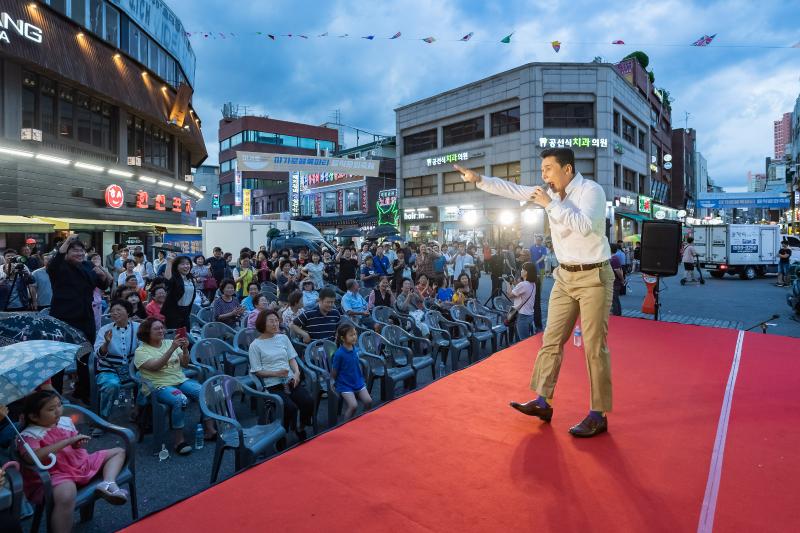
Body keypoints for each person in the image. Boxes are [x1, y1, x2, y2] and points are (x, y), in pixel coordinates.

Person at [456, 146, 614, 438]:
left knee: (593, 347)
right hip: (565, 276)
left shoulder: (591, 191)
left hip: (594, 275)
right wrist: (479, 179)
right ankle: (543, 401)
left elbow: (586, 227)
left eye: (548, 169)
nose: (543, 176)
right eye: (542, 171)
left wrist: (550, 205)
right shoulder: (550, 194)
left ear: (567, 170)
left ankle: (598, 413)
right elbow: (513, 189)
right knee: (551, 340)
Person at [18, 390, 128, 533]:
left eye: (59, 405)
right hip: (56, 473)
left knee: (118, 452)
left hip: (80, 463)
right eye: (51, 409)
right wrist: (68, 441)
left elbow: (73, 445)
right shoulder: (29, 435)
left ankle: (108, 482)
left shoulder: (65, 422)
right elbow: (32, 457)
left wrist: (76, 443)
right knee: (66, 494)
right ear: (34, 416)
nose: (58, 411)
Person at [134, 318, 215, 454]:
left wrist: (184, 350)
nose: (161, 330)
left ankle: (210, 430)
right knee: (180, 399)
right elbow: (155, 366)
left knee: (203, 391)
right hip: (159, 386)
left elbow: (184, 364)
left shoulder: (169, 342)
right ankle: (179, 441)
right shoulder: (141, 351)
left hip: (180, 380)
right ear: (147, 332)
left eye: (162, 328)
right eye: (156, 328)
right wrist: (172, 349)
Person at [48, 235, 112, 397]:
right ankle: (55, 394)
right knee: (59, 358)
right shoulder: (59, 266)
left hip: (85, 318)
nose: (79, 253)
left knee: (85, 355)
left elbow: (102, 284)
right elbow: (57, 259)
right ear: (66, 252)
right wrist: (67, 241)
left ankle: (83, 391)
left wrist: (103, 276)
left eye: (81, 250)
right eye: (74, 250)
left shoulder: (88, 265)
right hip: (63, 319)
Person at [249, 310, 314, 441]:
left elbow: (292, 359)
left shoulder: (283, 338)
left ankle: (300, 427)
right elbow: (257, 371)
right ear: (262, 323)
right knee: (290, 407)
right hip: (273, 384)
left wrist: (296, 373)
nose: (275, 324)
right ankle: (281, 434)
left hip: (290, 380)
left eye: (276, 320)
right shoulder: (255, 345)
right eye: (271, 321)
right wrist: (276, 373)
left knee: (308, 401)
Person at [94, 300, 140, 422]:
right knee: (111, 384)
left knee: (148, 379)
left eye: (118, 310)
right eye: (112, 311)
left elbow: (145, 347)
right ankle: (103, 419)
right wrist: (106, 343)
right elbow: (98, 354)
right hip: (109, 370)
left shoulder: (137, 328)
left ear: (128, 312)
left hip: (132, 369)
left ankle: (138, 411)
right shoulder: (105, 330)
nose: (114, 313)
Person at [332, 323, 372, 420]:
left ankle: (363, 419)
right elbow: (334, 370)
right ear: (342, 338)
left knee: (368, 401)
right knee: (353, 406)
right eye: (351, 335)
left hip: (357, 380)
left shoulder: (354, 348)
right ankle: (346, 425)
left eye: (355, 334)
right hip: (344, 383)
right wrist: (332, 381)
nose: (354, 337)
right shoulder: (339, 354)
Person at [161, 255, 197, 330]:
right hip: (173, 312)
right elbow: (167, 281)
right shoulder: (174, 278)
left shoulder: (190, 278)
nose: (186, 266)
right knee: (172, 337)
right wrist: (169, 262)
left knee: (185, 336)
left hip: (186, 312)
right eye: (182, 264)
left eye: (187, 264)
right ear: (176, 266)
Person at [507, 262, 537, 342]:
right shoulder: (533, 284)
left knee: (524, 341)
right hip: (530, 315)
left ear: (526, 272)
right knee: (525, 339)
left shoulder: (523, 285)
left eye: (522, 270)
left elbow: (510, 295)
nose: (521, 271)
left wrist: (509, 284)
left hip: (522, 316)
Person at [528, 235, 548, 331]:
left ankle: (538, 293)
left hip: (541, 267)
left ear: (541, 241)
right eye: (537, 240)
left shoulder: (543, 248)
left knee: (540, 282)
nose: (538, 241)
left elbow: (544, 256)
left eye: (539, 240)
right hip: (533, 267)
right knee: (532, 281)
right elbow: (529, 255)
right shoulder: (532, 247)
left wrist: (537, 261)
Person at [609, 244, 624, 316]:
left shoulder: (614, 259)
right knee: (615, 299)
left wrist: (622, 279)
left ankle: (617, 314)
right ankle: (618, 313)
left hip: (615, 283)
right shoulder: (614, 258)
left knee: (614, 299)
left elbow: (618, 271)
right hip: (614, 282)